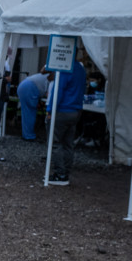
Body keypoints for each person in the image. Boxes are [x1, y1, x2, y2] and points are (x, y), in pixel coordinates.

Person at [48, 55, 87, 185]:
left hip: (62, 110)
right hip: (75, 110)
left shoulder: (64, 68)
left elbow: (58, 91)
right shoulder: (80, 69)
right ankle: (65, 173)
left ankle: (60, 174)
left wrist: (50, 110)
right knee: (68, 143)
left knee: (56, 143)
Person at [17, 70, 51, 141]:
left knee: (27, 113)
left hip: (25, 85)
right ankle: (28, 136)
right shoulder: (54, 78)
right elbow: (49, 94)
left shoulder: (49, 75)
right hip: (30, 87)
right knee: (29, 113)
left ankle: (27, 134)